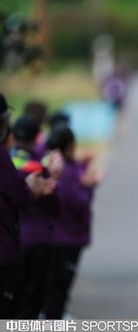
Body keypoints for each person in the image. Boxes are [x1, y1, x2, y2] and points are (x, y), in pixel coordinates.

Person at [43, 125, 101, 319]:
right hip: (66, 237)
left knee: (55, 285)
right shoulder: (65, 172)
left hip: (55, 234)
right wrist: (90, 186)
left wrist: (83, 167)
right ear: (70, 145)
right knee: (60, 286)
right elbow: (78, 201)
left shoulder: (53, 164)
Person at [11, 115, 62, 318]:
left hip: (10, 240)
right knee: (32, 302)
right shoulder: (39, 169)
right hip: (37, 240)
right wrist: (55, 176)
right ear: (37, 138)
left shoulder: (6, 164)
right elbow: (54, 207)